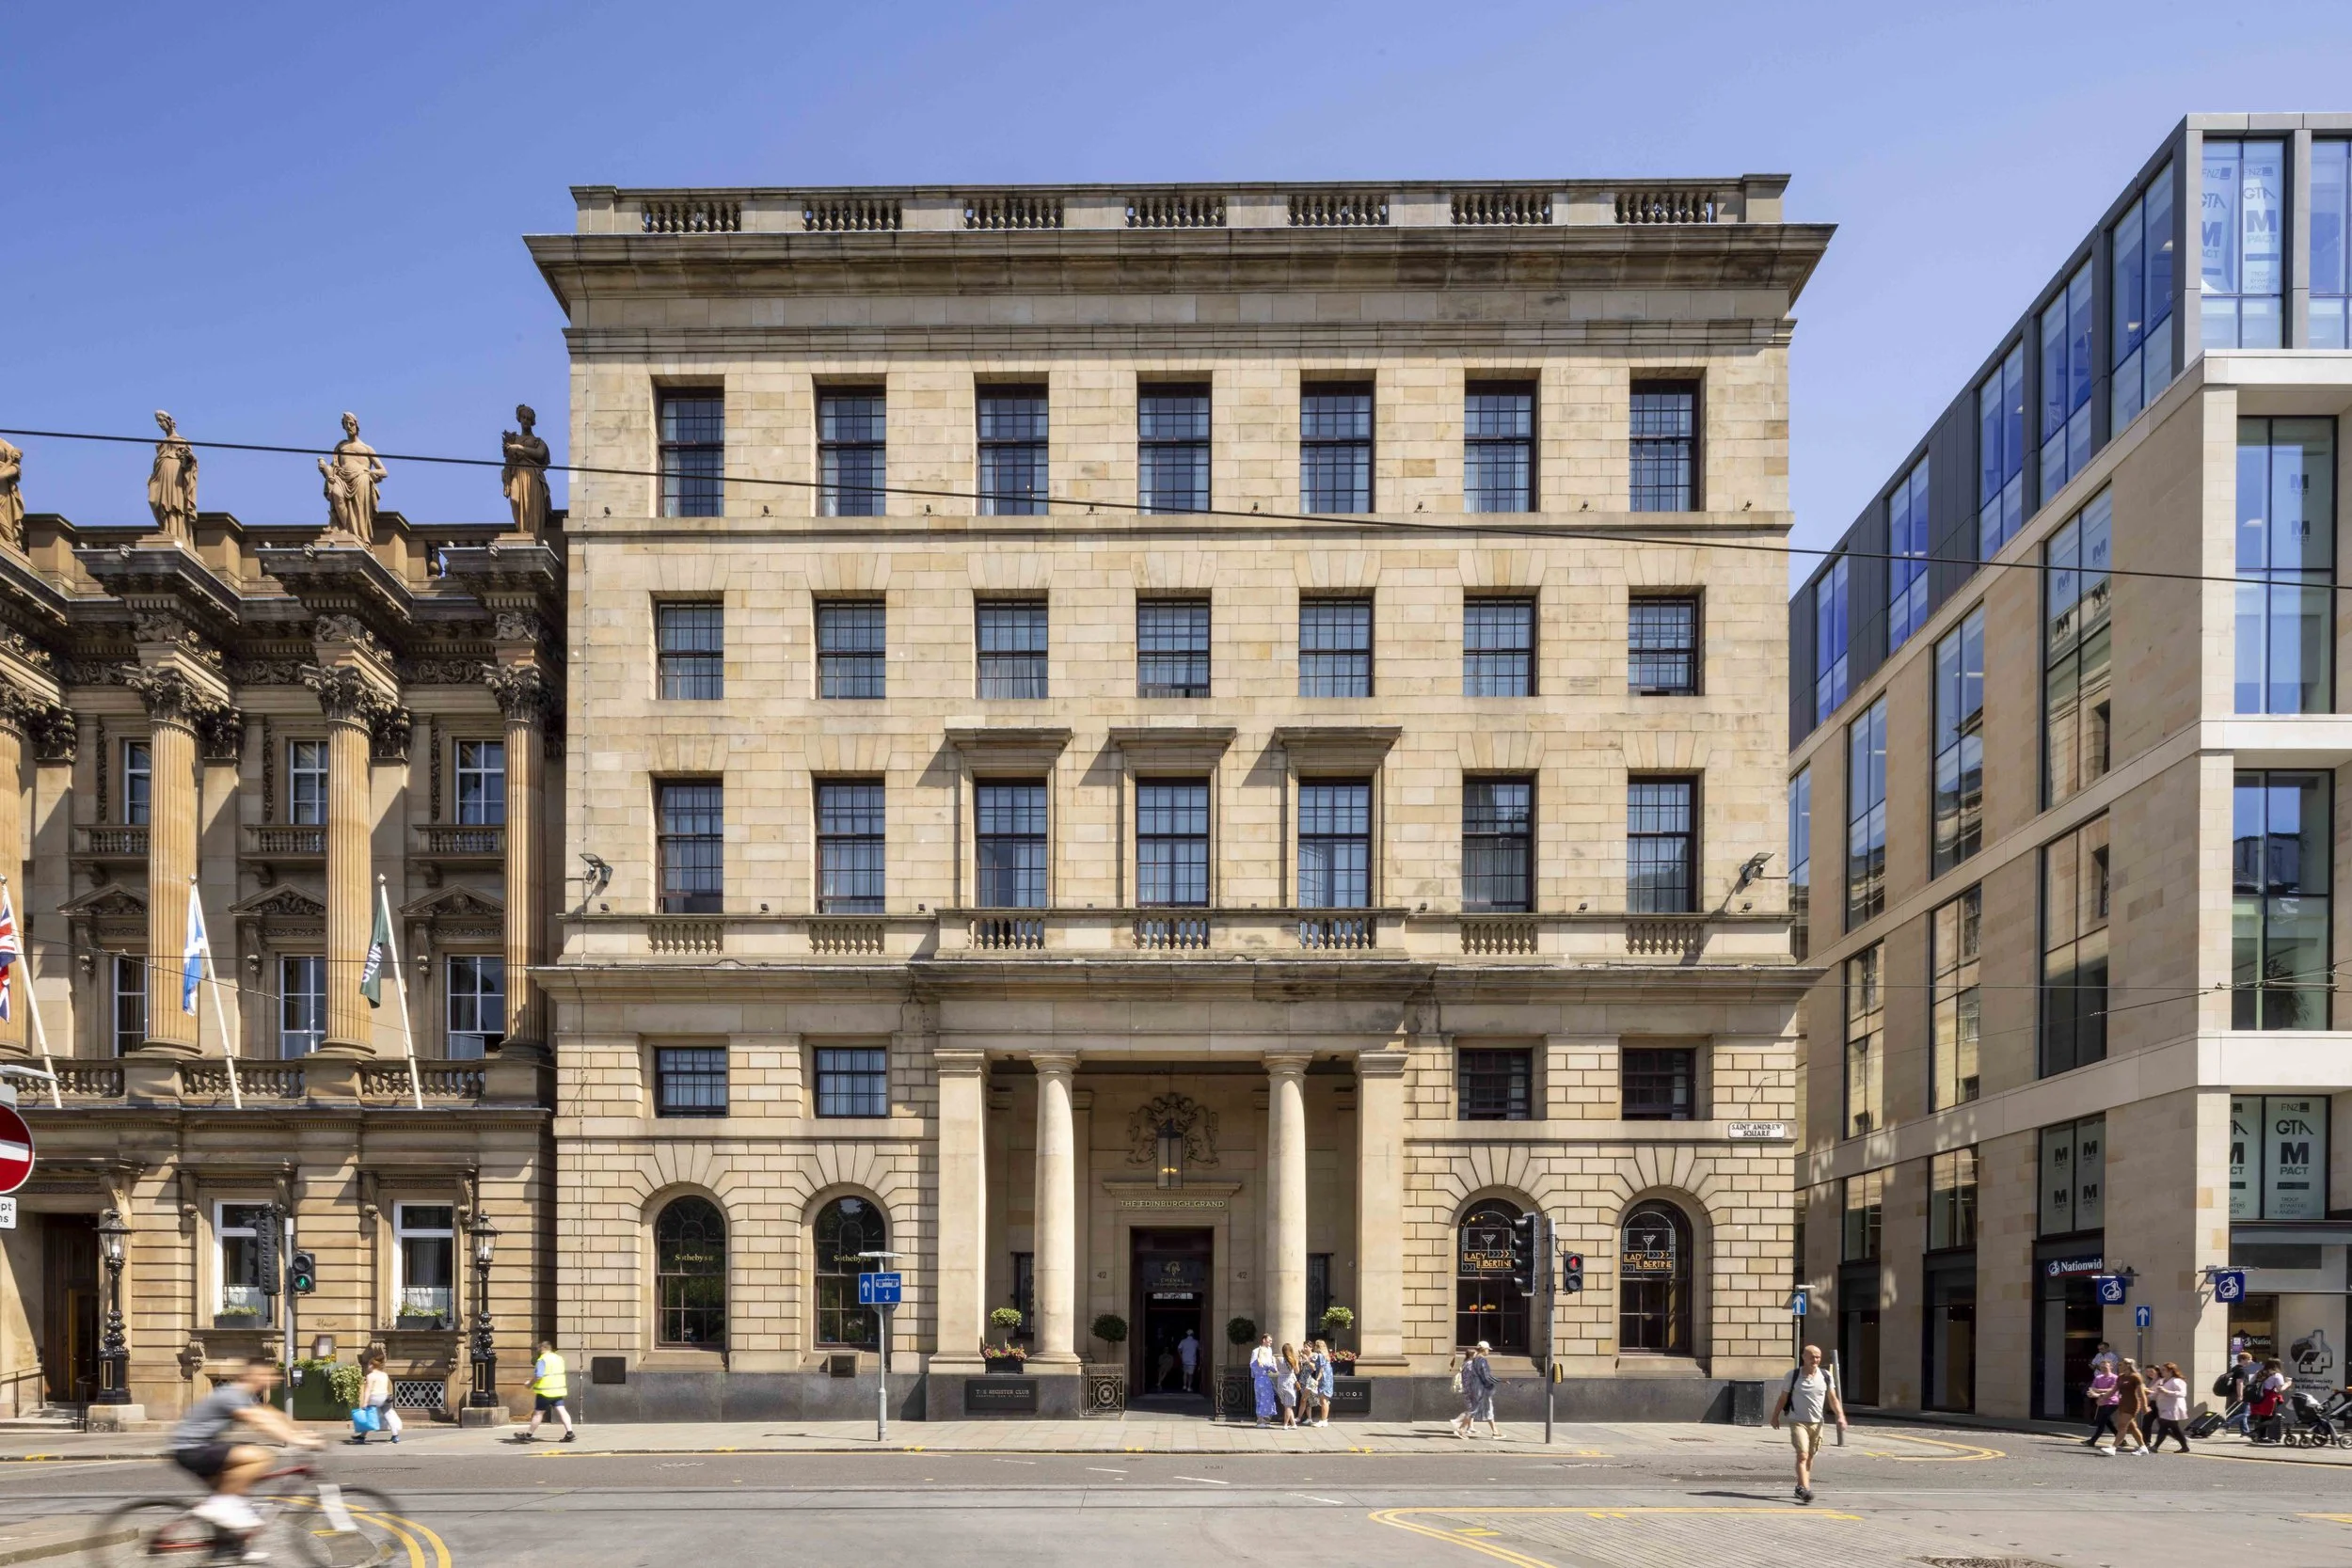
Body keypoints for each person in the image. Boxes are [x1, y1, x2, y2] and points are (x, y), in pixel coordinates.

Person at [168, 1356, 319, 1543]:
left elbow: (272, 1415)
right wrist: (296, 1439)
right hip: (192, 1448)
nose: (272, 1380)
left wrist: (304, 1433)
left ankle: (231, 1547)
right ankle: (220, 1507)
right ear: (255, 1375)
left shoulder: (243, 1396)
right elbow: (260, 1421)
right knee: (260, 1458)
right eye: (267, 1375)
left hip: (199, 1447)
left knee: (236, 1494)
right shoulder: (232, 1394)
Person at [1769, 1342, 1848, 1505]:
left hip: (1818, 1422)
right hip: (1798, 1421)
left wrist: (1840, 1416)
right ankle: (1806, 1489)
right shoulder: (1793, 1375)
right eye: (1812, 1356)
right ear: (1804, 1357)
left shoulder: (1826, 1376)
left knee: (1810, 1456)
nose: (1815, 1359)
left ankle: (1800, 1487)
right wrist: (1775, 1416)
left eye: (1818, 1357)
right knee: (1802, 1454)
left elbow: (1832, 1398)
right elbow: (1783, 1398)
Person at [515, 1340, 576, 1443]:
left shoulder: (542, 1359)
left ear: (542, 1349)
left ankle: (528, 1435)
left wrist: (529, 1384)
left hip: (545, 1392)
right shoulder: (558, 1358)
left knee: (538, 1413)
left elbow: (539, 1375)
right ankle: (570, 1433)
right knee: (562, 1410)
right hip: (558, 1390)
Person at [348, 1351, 403, 1445]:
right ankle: (395, 1436)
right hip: (385, 1397)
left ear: (372, 1365)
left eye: (368, 1365)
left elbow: (368, 1390)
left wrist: (365, 1402)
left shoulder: (370, 1376)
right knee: (389, 1416)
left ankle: (362, 1437)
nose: (367, 1366)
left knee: (369, 1417)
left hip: (375, 1397)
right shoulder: (384, 1375)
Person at [1452, 1341, 1499, 1439]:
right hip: (1476, 1390)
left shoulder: (1471, 1362)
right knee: (1474, 1410)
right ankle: (1460, 1427)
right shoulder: (1475, 1363)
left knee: (1484, 1410)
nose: (1488, 1352)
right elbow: (1480, 1377)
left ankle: (1494, 1432)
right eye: (1487, 1350)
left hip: (1475, 1390)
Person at [2149, 1362, 2192, 1453]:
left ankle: (2155, 1446)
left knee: (2163, 1426)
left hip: (2173, 1408)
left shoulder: (2177, 1381)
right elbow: (2155, 1394)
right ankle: (2185, 1446)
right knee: (2174, 1428)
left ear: (2171, 1371)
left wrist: (2167, 1391)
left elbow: (2182, 1393)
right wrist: (2147, 1394)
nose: (2161, 1371)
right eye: (2161, 1370)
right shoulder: (2161, 1381)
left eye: (2164, 1370)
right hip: (2164, 1408)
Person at [2111, 1359, 2150, 1454]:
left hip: (2132, 1404)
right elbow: (2113, 1390)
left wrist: (2144, 1407)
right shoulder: (2120, 1377)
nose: (2118, 1366)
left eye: (2120, 1365)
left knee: (2122, 1426)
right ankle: (2143, 1447)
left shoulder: (2135, 1377)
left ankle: (2113, 1447)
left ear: (2127, 1365)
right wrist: (2102, 1397)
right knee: (2132, 1427)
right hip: (2122, 1404)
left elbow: (2141, 1393)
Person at [2249, 1358, 2290, 1445]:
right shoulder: (2277, 1375)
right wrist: (2288, 1384)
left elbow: (2251, 1382)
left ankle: (2261, 1437)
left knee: (2262, 1417)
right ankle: (2255, 1432)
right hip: (2269, 1399)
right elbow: (2280, 1389)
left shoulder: (2259, 1372)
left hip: (2258, 1398)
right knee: (2271, 1418)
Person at [2083, 1360, 2122, 1449]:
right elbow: (2092, 1388)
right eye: (2101, 1367)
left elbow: (2112, 1390)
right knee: (2108, 1422)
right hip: (2101, 1401)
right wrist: (2093, 1392)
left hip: (2112, 1402)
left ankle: (2092, 1441)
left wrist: (2098, 1390)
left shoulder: (2115, 1378)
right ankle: (2121, 1440)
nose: (2103, 1369)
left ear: (2111, 1367)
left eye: (2105, 1367)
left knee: (2102, 1421)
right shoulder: (2098, 1377)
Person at [2219, 1350, 2259, 1436]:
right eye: (2249, 1359)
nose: (2251, 1361)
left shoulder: (2235, 1368)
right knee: (2246, 1413)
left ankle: (2244, 1431)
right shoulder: (2242, 1370)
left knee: (2242, 1412)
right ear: (2243, 1360)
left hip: (2233, 1393)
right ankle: (2226, 1425)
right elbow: (2239, 1382)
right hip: (2241, 1393)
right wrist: (2240, 1395)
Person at [1248, 1334, 1278, 1427]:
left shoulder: (1269, 1350)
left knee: (1268, 1399)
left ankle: (1266, 1419)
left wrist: (1272, 1365)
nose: (1271, 1342)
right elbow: (1252, 1365)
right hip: (1260, 1378)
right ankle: (1260, 1420)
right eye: (1269, 1340)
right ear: (1264, 1340)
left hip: (1267, 1378)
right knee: (1261, 1399)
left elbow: (1271, 1367)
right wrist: (1266, 1366)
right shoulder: (1256, 1351)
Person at [1311, 1338, 1336, 1427]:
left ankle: (1323, 1420)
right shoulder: (1326, 1356)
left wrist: (1317, 1379)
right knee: (1325, 1400)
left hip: (1324, 1380)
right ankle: (1324, 1420)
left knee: (1323, 1400)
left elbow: (1321, 1369)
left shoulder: (1320, 1356)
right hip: (1328, 1379)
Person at [1276, 1341, 1301, 1428]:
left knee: (1287, 1405)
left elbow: (1277, 1369)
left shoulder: (1279, 1359)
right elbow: (1297, 1371)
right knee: (1288, 1406)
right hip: (1290, 1382)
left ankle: (1293, 1424)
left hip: (1280, 1382)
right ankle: (1286, 1424)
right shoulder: (1294, 1360)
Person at [1177, 1328, 1200, 1394]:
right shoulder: (1195, 1342)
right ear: (1193, 1335)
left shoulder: (1183, 1341)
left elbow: (1178, 1349)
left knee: (1185, 1373)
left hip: (1185, 1360)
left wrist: (1181, 1356)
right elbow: (1200, 1348)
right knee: (1190, 1375)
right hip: (1192, 1360)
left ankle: (1184, 1386)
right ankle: (1189, 1387)